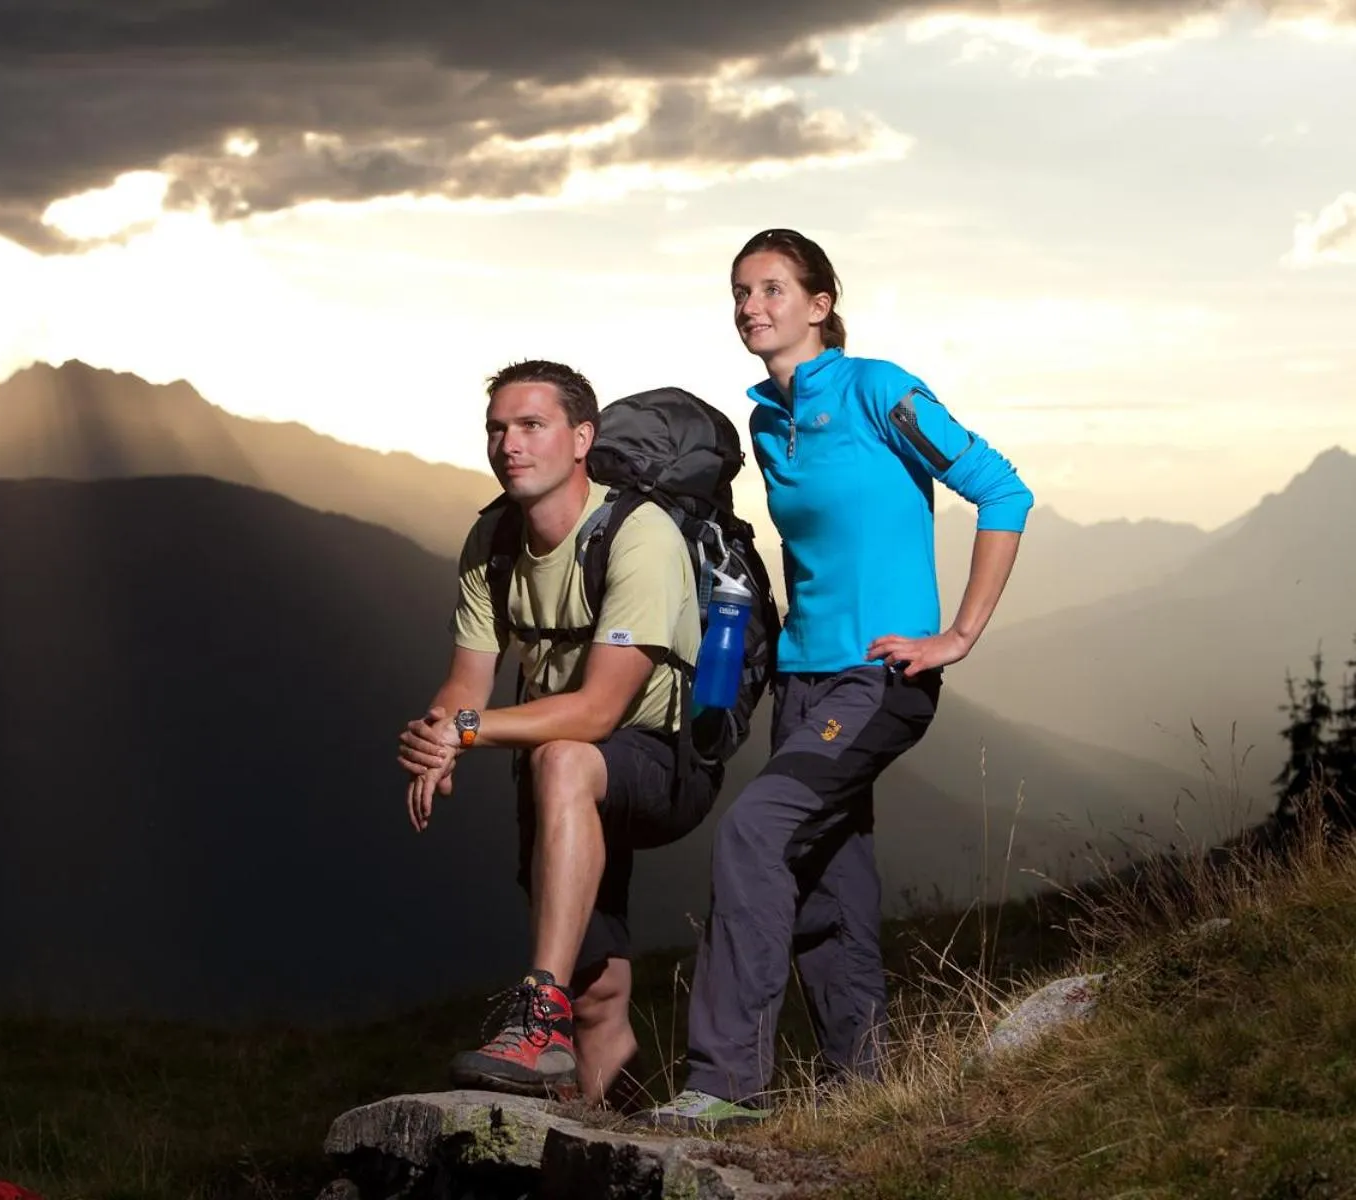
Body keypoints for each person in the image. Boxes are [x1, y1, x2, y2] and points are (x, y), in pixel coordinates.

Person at [637, 229, 1034, 1131]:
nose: (751, 307)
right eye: (741, 292)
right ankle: (864, 1091)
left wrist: (958, 634)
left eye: (772, 289)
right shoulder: (765, 424)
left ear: (820, 305)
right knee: (827, 881)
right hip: (804, 684)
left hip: (879, 677)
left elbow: (1004, 491)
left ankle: (725, 1086)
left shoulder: (879, 390)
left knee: (755, 833)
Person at [396, 359, 722, 1107]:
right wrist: (438, 734)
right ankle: (612, 1123)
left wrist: (467, 731)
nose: (508, 444)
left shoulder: (639, 536)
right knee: (597, 989)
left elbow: (599, 711)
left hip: (660, 761)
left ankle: (537, 1018)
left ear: (581, 439)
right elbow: (467, 682)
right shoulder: (493, 540)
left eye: (531, 426)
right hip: (555, 769)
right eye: (497, 429)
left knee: (565, 756)